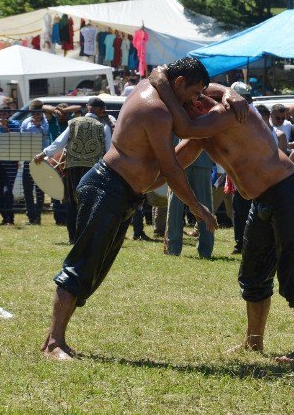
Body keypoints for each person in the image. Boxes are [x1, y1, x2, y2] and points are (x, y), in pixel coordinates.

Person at [41, 57, 244, 360]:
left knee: (94, 271)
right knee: (81, 266)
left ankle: (56, 340)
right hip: (106, 188)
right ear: (177, 84)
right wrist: (197, 206)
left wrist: (229, 93)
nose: (196, 100)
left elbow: (181, 91)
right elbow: (172, 170)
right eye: (193, 93)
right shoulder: (156, 110)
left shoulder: (156, 87)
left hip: (121, 193)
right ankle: (54, 343)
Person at [151, 71, 294, 364]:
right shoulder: (202, 133)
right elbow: (173, 163)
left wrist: (174, 91)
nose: (191, 106)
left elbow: (187, 124)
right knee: (252, 275)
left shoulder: (229, 111)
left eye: (190, 101)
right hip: (259, 199)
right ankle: (253, 343)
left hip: (288, 192)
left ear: (200, 98)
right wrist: (141, 182)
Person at [35, 97, 112, 243]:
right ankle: (87, 237)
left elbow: (58, 143)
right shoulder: (104, 126)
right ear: (100, 110)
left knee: (72, 202)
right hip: (93, 171)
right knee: (90, 203)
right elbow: (108, 150)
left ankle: (72, 237)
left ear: (88, 108)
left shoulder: (74, 123)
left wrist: (43, 154)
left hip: (73, 169)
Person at [165, 150, 215, 258]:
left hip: (179, 159)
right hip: (200, 160)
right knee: (204, 205)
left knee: (175, 208)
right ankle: (206, 250)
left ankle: (172, 247)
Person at [20, 100, 50, 225]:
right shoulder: (25, 123)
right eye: (33, 113)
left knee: (39, 189)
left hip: (41, 160)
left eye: (37, 113)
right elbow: (22, 139)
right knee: (27, 189)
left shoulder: (47, 122)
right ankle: (30, 216)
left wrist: (38, 126)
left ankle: (37, 216)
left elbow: (47, 135)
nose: (35, 116)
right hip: (28, 159)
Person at [0, 106, 21, 225]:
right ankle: (4, 217)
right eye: (1, 113)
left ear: (9, 114)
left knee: (7, 190)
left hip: (11, 160)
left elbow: (17, 139)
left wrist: (5, 128)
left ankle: (10, 217)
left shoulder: (15, 124)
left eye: (5, 113)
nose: (3, 115)